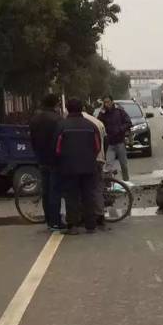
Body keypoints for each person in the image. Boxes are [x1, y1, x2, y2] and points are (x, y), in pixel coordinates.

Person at [55, 98, 101, 234]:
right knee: (88, 195)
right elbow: (97, 147)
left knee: (71, 196)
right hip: (88, 166)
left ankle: (73, 226)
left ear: (68, 109)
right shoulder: (91, 125)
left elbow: (57, 149)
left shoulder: (62, 126)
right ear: (82, 109)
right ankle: (91, 226)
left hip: (69, 167)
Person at [29, 94, 63, 231]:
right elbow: (61, 140)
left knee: (46, 191)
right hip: (55, 160)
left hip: (41, 159)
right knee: (55, 191)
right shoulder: (57, 119)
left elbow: (32, 140)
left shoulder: (35, 119)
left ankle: (49, 220)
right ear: (55, 104)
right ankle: (56, 221)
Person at [83, 104, 107, 228]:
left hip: (87, 160)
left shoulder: (81, 122)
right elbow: (105, 142)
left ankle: (86, 216)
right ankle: (100, 215)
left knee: (84, 188)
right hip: (99, 158)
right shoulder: (98, 122)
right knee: (97, 188)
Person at [97, 96, 131, 182]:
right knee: (108, 165)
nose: (106, 104)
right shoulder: (103, 113)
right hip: (110, 144)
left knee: (123, 164)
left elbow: (128, 122)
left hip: (120, 142)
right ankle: (108, 185)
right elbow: (98, 124)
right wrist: (101, 112)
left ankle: (126, 182)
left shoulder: (119, 111)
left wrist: (120, 129)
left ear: (112, 102)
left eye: (108, 102)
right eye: (105, 102)